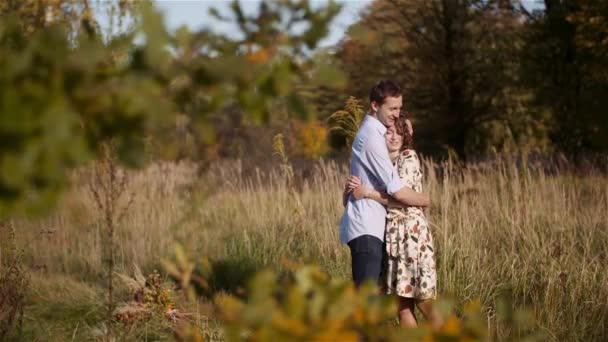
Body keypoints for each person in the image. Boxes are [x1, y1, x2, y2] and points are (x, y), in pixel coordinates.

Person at [346, 114, 442, 329]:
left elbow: (401, 197)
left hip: (411, 234)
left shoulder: (408, 157)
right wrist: (351, 189)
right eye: (389, 132)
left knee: (423, 299)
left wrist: (368, 193)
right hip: (394, 236)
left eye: (400, 132)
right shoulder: (385, 163)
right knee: (402, 304)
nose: (394, 137)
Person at [339, 80, 430, 289]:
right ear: (375, 106)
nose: (397, 114)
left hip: (374, 227)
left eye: (399, 108)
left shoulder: (377, 134)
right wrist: (426, 199)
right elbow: (396, 189)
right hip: (367, 227)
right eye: (392, 108)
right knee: (366, 301)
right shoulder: (372, 137)